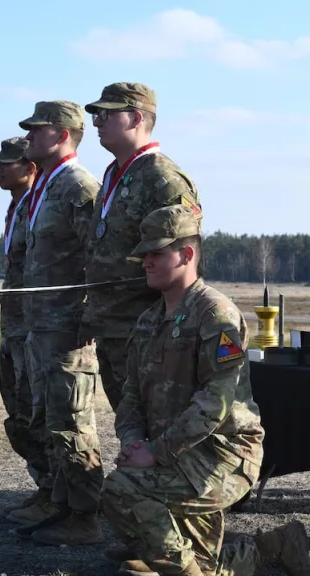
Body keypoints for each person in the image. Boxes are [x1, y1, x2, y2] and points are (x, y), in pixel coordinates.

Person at [99, 205, 310, 576]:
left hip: (223, 455)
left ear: (186, 254)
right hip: (178, 454)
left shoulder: (215, 315)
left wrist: (155, 454)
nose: (146, 261)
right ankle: (276, 546)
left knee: (122, 490)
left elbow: (215, 403)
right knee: (207, 569)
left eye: (156, 253)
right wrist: (133, 443)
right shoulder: (148, 321)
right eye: (144, 254)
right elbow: (130, 395)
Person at [9, 101, 104, 546]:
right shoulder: (46, 185)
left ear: (64, 134)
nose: (28, 135)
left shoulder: (78, 186)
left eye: (38, 129)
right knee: (50, 419)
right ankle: (63, 505)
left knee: (73, 421)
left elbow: (97, 255)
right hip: (41, 326)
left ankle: (85, 514)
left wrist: (90, 313)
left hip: (67, 328)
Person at [80, 82, 200, 411]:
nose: (97, 123)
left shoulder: (164, 179)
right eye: (95, 116)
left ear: (135, 118)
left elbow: (182, 264)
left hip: (147, 332)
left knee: (157, 429)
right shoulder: (113, 176)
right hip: (114, 329)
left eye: (105, 114)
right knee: (131, 427)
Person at [0, 137, 51, 519]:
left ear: (30, 168)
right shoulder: (16, 207)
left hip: (34, 328)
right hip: (14, 327)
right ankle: (44, 485)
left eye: (6, 163)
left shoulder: (40, 206)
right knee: (20, 411)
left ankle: (58, 493)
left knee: (39, 411)